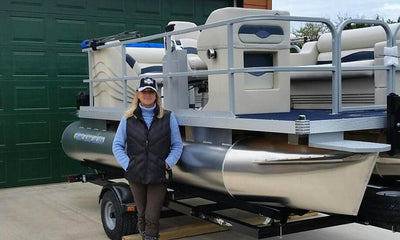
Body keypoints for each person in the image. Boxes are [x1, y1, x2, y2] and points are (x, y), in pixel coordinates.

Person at [112, 77, 183, 240]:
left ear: (156, 96)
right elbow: (117, 145)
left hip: (157, 175)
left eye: (151, 92)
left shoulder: (167, 117)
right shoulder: (128, 118)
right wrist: (128, 165)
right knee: (141, 214)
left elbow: (177, 145)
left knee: (152, 215)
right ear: (138, 95)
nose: (148, 95)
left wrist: (167, 163)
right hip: (135, 174)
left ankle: (150, 236)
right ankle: (144, 235)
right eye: (144, 92)